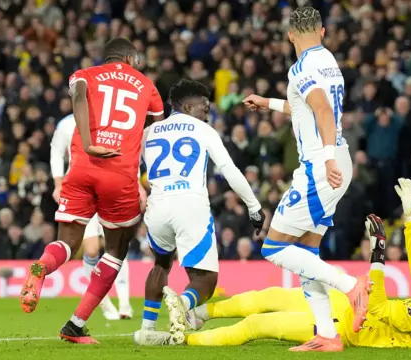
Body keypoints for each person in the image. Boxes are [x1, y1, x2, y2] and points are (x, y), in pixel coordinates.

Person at [138, 179, 411, 349]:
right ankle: (197, 316)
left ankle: (181, 341)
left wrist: (377, 255)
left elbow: (374, 310)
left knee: (257, 324)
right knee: (266, 296)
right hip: (345, 304)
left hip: (345, 327)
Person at [236, 6, 368, 352]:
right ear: (322, 32)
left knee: (275, 247)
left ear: (290, 34)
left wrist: (324, 161)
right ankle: (327, 334)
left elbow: (321, 109)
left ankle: (351, 285)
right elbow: (307, 106)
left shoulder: (301, 67)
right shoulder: (328, 61)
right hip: (338, 157)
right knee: (307, 251)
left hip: (320, 165)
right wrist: (269, 103)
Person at [19, 38, 164, 343]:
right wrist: (148, 178)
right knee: (116, 248)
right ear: (130, 57)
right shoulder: (147, 85)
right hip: (119, 174)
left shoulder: (85, 74)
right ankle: (74, 324)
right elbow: (158, 131)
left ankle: (42, 267)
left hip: (82, 169)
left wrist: (87, 142)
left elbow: (79, 95)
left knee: (69, 242)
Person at [133, 79, 265, 345]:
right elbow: (230, 171)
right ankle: (182, 304)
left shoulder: (149, 131)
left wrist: (137, 191)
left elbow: (128, 167)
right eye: (204, 108)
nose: (207, 114)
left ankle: (147, 330)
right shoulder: (203, 130)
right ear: (188, 105)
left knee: (161, 264)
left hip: (157, 207)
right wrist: (254, 206)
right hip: (190, 204)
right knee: (205, 279)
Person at [49, 113, 138, 320]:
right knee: (91, 249)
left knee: (115, 245)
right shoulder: (66, 124)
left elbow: (127, 152)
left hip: (110, 188)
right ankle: (103, 302)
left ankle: (124, 303)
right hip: (82, 192)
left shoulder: (113, 119)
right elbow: (56, 152)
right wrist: (57, 182)